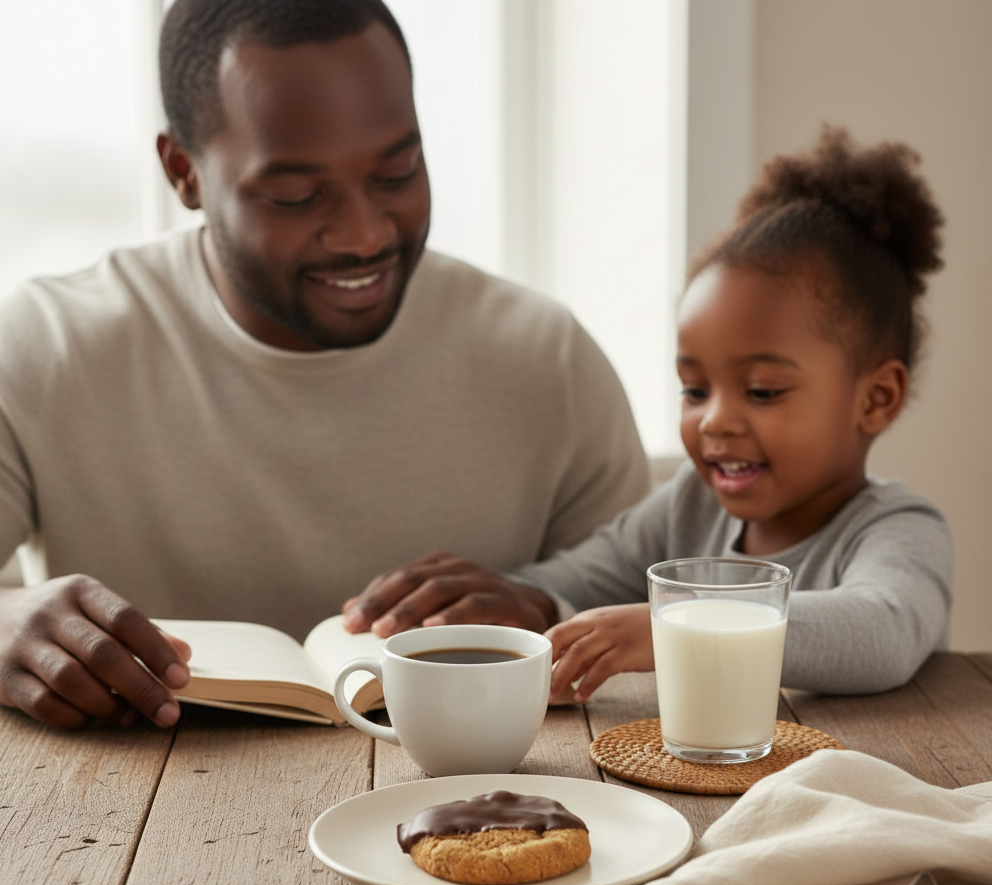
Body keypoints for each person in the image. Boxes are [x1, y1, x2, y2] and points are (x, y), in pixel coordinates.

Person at [0, 0, 648, 730]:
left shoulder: (546, 357)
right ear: (184, 173)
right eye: (296, 195)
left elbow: (657, 610)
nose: (364, 235)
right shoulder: (44, 348)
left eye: (397, 172)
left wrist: (543, 602)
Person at [348, 127, 953, 700]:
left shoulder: (900, 529)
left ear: (875, 399)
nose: (715, 420)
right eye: (694, 389)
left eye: (763, 391)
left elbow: (883, 631)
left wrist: (673, 627)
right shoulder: (692, 505)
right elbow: (575, 580)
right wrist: (521, 601)